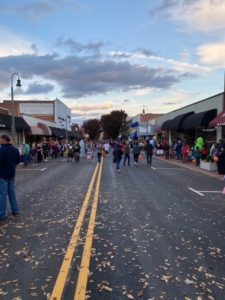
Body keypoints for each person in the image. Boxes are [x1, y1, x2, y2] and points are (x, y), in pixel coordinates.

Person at [0, 134, 21, 220]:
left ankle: (2, 214)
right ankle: (15, 210)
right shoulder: (15, 150)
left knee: (2, 194)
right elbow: (18, 161)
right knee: (11, 192)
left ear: (4, 140)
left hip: (2, 174)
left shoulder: (1, 150)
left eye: (0, 139)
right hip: (12, 173)